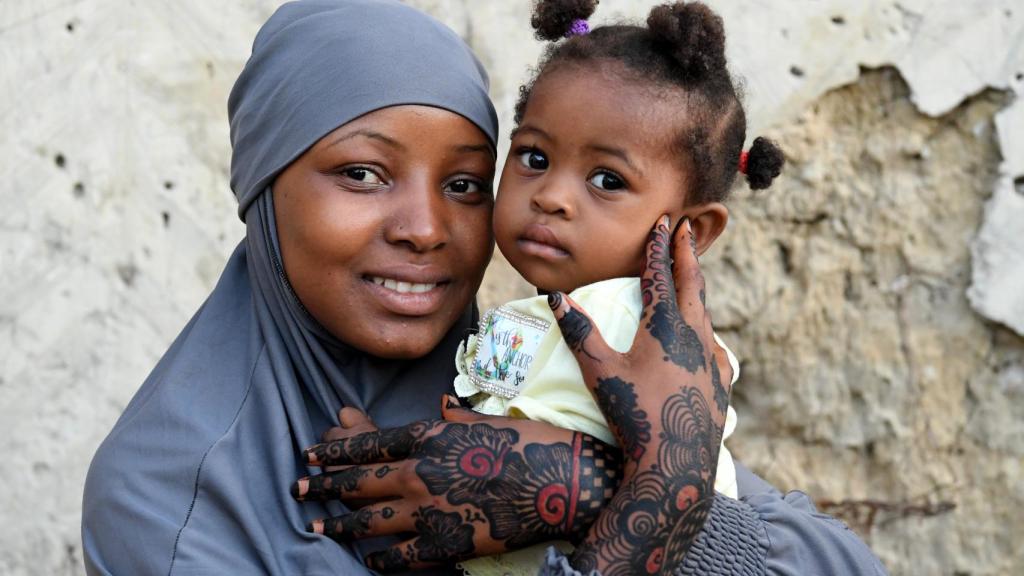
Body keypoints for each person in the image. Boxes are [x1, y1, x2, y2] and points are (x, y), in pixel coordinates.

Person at [83, 1, 887, 575]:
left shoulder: (525, 374)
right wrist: (639, 514)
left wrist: (600, 488)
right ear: (262, 185)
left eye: (466, 184)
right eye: (362, 174)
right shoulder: (165, 505)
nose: (426, 228)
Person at [441, 1, 784, 573]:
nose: (551, 195)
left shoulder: (645, 340)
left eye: (607, 179)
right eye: (534, 156)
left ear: (691, 231)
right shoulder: (535, 314)